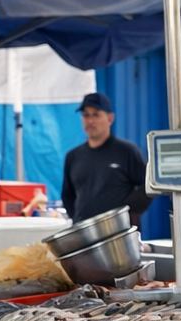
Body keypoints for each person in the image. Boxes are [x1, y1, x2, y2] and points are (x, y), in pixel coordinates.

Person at [61, 91, 151, 225]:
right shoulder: (73, 156)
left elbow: (148, 186)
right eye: (86, 115)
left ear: (110, 118)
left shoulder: (127, 151)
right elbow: (67, 195)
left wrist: (127, 212)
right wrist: (78, 220)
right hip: (85, 236)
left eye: (96, 114)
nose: (90, 120)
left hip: (120, 235)